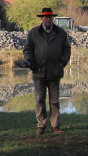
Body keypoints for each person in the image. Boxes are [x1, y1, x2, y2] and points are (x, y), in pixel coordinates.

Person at [23, 7, 72, 135]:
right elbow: (28, 49)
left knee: (54, 101)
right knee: (39, 99)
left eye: (50, 17)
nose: (48, 19)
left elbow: (67, 49)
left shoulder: (61, 32)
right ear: (41, 18)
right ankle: (41, 126)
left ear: (52, 18)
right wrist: (28, 61)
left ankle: (55, 125)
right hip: (38, 72)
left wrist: (62, 63)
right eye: (46, 17)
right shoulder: (33, 32)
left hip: (55, 72)